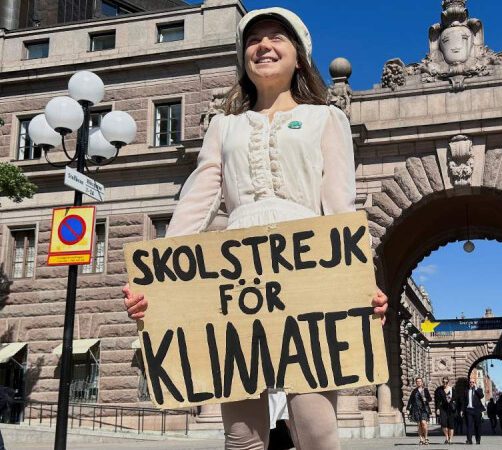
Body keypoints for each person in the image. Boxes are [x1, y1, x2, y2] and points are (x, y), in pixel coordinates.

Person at [121, 7, 389, 450]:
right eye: (253, 40)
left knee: (315, 424)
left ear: (299, 56)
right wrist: (156, 274)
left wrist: (361, 284)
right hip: (236, 275)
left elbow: (340, 207)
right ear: (244, 57)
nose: (263, 46)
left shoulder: (326, 118)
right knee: (242, 433)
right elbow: (197, 201)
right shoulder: (224, 127)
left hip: (312, 270)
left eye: (276, 38)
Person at [407, 377, 432, 445]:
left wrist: (426, 399)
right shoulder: (414, 391)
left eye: (419, 381)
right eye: (417, 381)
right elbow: (410, 400)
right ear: (416, 383)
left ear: (422, 382)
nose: (418, 382)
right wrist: (408, 409)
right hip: (416, 409)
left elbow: (430, 399)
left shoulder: (425, 390)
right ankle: (421, 438)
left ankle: (426, 437)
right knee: (419, 425)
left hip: (424, 409)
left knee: (424, 423)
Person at [434, 377, 457, 444]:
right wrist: (437, 408)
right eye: (443, 382)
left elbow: (456, 397)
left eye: (446, 382)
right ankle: (447, 437)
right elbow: (437, 400)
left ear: (448, 382)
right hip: (443, 409)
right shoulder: (439, 390)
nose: (445, 383)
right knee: (444, 424)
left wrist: (451, 400)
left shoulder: (452, 389)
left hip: (451, 409)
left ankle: (450, 439)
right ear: (442, 382)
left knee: (451, 425)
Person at [462, 379, 484, 445]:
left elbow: (481, 396)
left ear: (475, 383)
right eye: (470, 382)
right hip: (469, 410)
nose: (471, 383)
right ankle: (469, 440)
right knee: (469, 426)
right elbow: (464, 401)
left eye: (473, 382)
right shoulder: (466, 390)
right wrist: (462, 410)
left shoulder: (478, 390)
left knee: (477, 426)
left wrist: (476, 388)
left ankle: (478, 440)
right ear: (469, 383)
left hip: (477, 410)